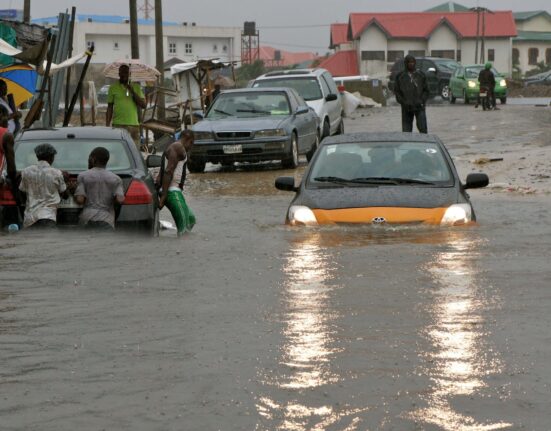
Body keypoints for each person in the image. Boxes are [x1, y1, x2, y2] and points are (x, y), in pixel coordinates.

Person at [18, 143, 68, 228]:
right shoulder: (56, 173)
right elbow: (65, 194)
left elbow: (22, 190)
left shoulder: (26, 171)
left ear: (37, 156)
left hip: (30, 218)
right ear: (51, 157)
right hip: (48, 216)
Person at [74, 147, 125, 230]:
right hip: (107, 220)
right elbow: (120, 199)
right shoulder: (116, 179)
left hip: (87, 219)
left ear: (93, 159)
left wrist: (74, 192)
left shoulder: (83, 176)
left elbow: (80, 200)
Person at [156, 130, 196, 236]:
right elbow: (168, 171)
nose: (191, 147)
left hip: (173, 191)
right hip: (171, 192)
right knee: (184, 230)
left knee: (191, 219)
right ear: (189, 140)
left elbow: (161, 173)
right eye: (191, 143)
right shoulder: (178, 147)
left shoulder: (174, 147)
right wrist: (164, 196)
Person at [105, 64, 146, 150]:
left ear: (129, 74)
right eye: (122, 72)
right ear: (119, 74)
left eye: (126, 72)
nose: (124, 74)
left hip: (133, 125)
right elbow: (109, 107)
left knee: (134, 151)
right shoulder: (113, 88)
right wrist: (107, 124)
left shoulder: (136, 87)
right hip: (118, 124)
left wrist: (132, 91)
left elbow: (143, 105)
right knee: (118, 150)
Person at [394, 55, 429, 133]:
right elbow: (397, 92)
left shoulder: (421, 75)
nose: (411, 64)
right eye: (409, 62)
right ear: (406, 63)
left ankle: (423, 144)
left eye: (413, 62)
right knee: (406, 131)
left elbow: (426, 90)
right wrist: (403, 102)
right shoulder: (400, 76)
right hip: (406, 108)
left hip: (419, 107)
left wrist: (422, 101)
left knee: (423, 129)